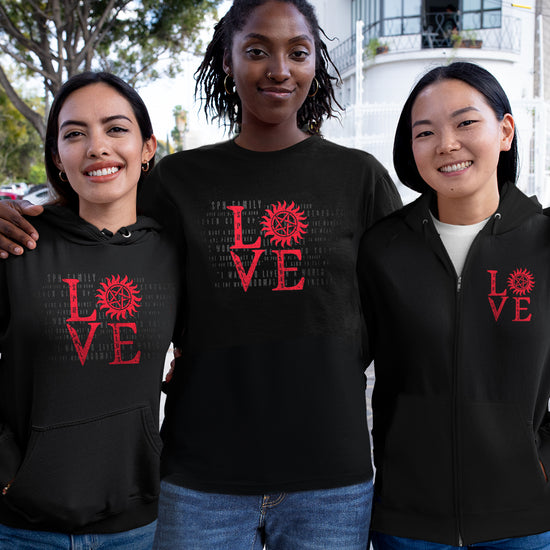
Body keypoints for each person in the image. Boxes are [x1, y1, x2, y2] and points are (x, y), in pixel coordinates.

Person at [0, 1, 402, 547]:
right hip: (199, 478)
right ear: (228, 62)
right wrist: (18, 218)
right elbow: (102, 232)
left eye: (298, 52)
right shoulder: (177, 181)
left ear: (314, 64)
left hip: (330, 476)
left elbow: (395, 310)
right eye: (257, 51)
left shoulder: (359, 177)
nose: (279, 69)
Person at [358, 61, 550, 548]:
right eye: (425, 133)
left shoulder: (545, 242)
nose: (446, 144)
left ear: (505, 130)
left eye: (466, 122)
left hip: (526, 523)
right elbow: (343, 362)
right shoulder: (383, 248)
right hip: (408, 523)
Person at [0, 72, 182, 549]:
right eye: (75, 133)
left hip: (136, 526)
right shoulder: (19, 245)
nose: (97, 147)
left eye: (116, 128)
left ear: (147, 148)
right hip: (21, 527)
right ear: (58, 158)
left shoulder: (175, 254)